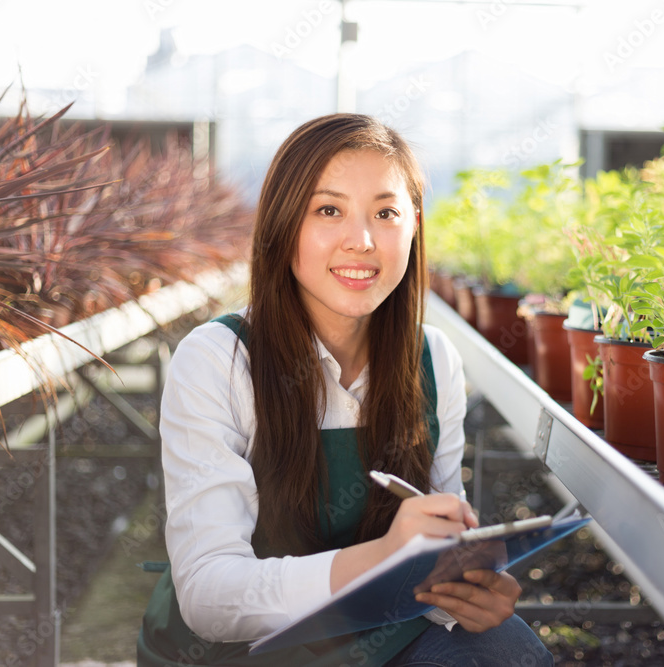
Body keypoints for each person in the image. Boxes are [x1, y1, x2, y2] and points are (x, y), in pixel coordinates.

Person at [137, 114, 554, 667]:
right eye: (328, 210)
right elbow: (210, 598)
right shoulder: (218, 360)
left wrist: (467, 592)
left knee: (507, 650)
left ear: (413, 228)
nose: (361, 241)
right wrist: (383, 557)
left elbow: (438, 546)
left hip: (375, 631)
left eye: (385, 213)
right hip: (240, 648)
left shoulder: (434, 362)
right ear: (284, 226)